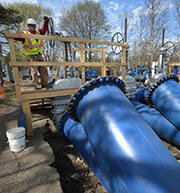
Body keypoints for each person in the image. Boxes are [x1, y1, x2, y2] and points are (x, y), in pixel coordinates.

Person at [16, 16, 51, 89]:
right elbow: (16, 36)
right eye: (31, 25)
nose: (33, 27)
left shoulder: (38, 32)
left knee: (43, 69)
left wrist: (46, 22)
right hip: (30, 55)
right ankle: (36, 84)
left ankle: (45, 84)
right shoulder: (24, 33)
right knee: (34, 70)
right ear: (28, 26)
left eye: (34, 25)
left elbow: (44, 29)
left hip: (39, 54)